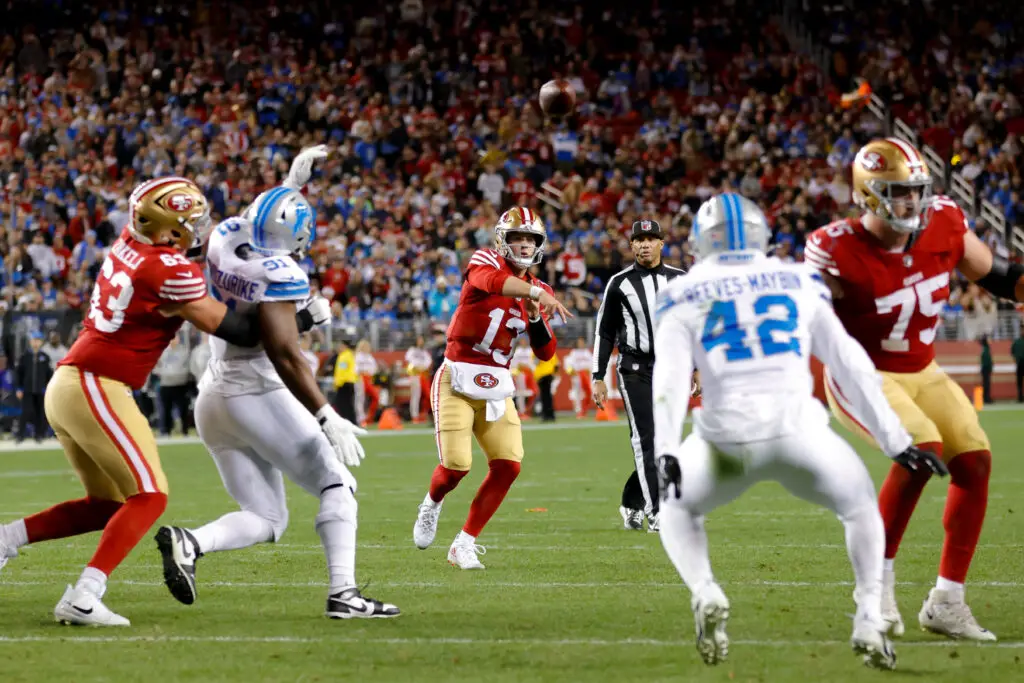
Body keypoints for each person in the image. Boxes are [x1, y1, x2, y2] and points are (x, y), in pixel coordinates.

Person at [653, 193, 947, 670]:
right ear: (761, 234)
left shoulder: (683, 290)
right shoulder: (797, 278)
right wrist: (896, 441)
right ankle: (870, 614)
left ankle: (705, 590)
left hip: (724, 441)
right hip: (801, 434)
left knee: (677, 507)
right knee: (859, 508)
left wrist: (665, 449)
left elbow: (667, 380)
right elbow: (849, 361)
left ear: (700, 242)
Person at [0, 176, 306, 626]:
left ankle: (5, 539)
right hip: (97, 384)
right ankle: (86, 594)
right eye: (190, 221)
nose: (198, 227)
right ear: (168, 227)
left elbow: (178, 265)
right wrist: (297, 313)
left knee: (106, 502)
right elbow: (237, 330)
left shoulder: (132, 241)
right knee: (149, 496)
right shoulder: (167, 270)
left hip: (70, 382)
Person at [155, 147, 398, 619]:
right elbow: (283, 351)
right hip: (258, 393)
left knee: (268, 518)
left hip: (214, 398)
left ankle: (191, 542)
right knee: (337, 484)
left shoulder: (225, 235)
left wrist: (291, 183)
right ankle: (344, 594)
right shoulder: (282, 271)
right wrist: (327, 414)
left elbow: (262, 222)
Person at [805, 137, 1022, 640]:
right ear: (870, 194)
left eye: (918, 191)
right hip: (861, 373)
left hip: (922, 369)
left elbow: (1000, 276)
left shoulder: (944, 222)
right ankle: (873, 591)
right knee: (920, 448)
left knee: (974, 459)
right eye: (900, 193)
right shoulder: (835, 247)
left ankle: (947, 600)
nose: (914, 203)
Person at [411, 206, 571, 569]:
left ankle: (464, 543)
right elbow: (491, 283)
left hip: (497, 381)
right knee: (456, 466)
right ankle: (431, 504)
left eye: (531, 238)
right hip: (458, 375)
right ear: (503, 239)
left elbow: (546, 353)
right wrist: (534, 293)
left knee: (509, 466)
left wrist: (534, 315)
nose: (525, 244)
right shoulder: (487, 260)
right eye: (517, 237)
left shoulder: (538, 290)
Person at [591, 219, 685, 532]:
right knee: (646, 438)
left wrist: (696, 366)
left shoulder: (680, 280)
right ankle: (657, 511)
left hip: (671, 367)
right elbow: (604, 331)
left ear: (662, 243)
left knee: (666, 441)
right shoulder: (619, 283)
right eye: (638, 239)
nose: (644, 244)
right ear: (631, 246)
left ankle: (632, 503)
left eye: (651, 238)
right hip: (635, 368)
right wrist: (598, 374)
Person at [15, 330, 53, 443]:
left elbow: (49, 375)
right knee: (26, 412)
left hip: (41, 390)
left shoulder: (45, 357)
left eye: (38, 341)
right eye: (34, 340)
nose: (36, 343)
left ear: (41, 342)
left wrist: (47, 388)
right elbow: (19, 374)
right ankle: (20, 435)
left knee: (40, 412)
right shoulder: (24, 356)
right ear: (30, 342)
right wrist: (19, 388)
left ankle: (39, 435)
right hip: (27, 389)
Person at [154, 335, 193, 435]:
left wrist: (183, 376)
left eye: (175, 338)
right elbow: (155, 365)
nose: (173, 340)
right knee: (165, 409)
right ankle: (166, 431)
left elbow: (188, 366)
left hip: (180, 384)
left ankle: (185, 431)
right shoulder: (162, 351)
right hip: (166, 384)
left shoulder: (184, 351)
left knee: (183, 409)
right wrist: (162, 373)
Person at [564, 337, 595, 418]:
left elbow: (592, 363)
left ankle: (585, 409)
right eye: (579, 342)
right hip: (577, 374)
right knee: (577, 393)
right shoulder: (573, 352)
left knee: (588, 391)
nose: (581, 344)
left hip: (585, 374)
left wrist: (589, 370)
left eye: (582, 342)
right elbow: (568, 364)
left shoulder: (587, 352)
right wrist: (571, 371)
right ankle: (578, 410)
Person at [405, 336, 433, 423]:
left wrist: (423, 367)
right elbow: (409, 360)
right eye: (419, 340)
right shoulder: (411, 350)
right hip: (415, 374)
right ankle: (415, 416)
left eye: (422, 340)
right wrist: (418, 366)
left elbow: (428, 361)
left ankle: (425, 414)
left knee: (427, 395)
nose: (421, 342)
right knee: (415, 395)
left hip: (424, 375)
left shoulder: (424, 351)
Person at [354, 339, 380, 426]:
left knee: (375, 397)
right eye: (364, 346)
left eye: (367, 346)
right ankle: (361, 418)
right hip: (360, 378)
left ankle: (369, 417)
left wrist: (369, 372)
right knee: (360, 399)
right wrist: (363, 371)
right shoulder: (357, 356)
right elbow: (355, 368)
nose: (366, 348)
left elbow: (374, 368)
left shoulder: (370, 357)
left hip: (369, 379)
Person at [331, 337, 358, 424]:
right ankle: (352, 422)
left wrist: (337, 383)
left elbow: (342, 372)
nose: (339, 347)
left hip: (344, 384)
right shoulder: (348, 355)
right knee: (348, 405)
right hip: (348, 383)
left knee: (343, 405)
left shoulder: (344, 356)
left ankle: (349, 422)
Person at [1012, 327, 1024, 402]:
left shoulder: (1016, 342)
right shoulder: (1016, 342)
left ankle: (1020, 397)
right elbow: (1012, 351)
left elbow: (1012, 352)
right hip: (1020, 363)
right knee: (1019, 382)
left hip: (1019, 363)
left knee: (1019, 382)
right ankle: (1020, 397)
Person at [980, 335, 993, 404]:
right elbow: (986, 361)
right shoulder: (985, 349)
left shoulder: (985, 348)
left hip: (985, 369)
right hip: (986, 369)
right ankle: (986, 398)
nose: (990, 340)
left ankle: (986, 397)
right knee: (986, 384)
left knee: (986, 384)